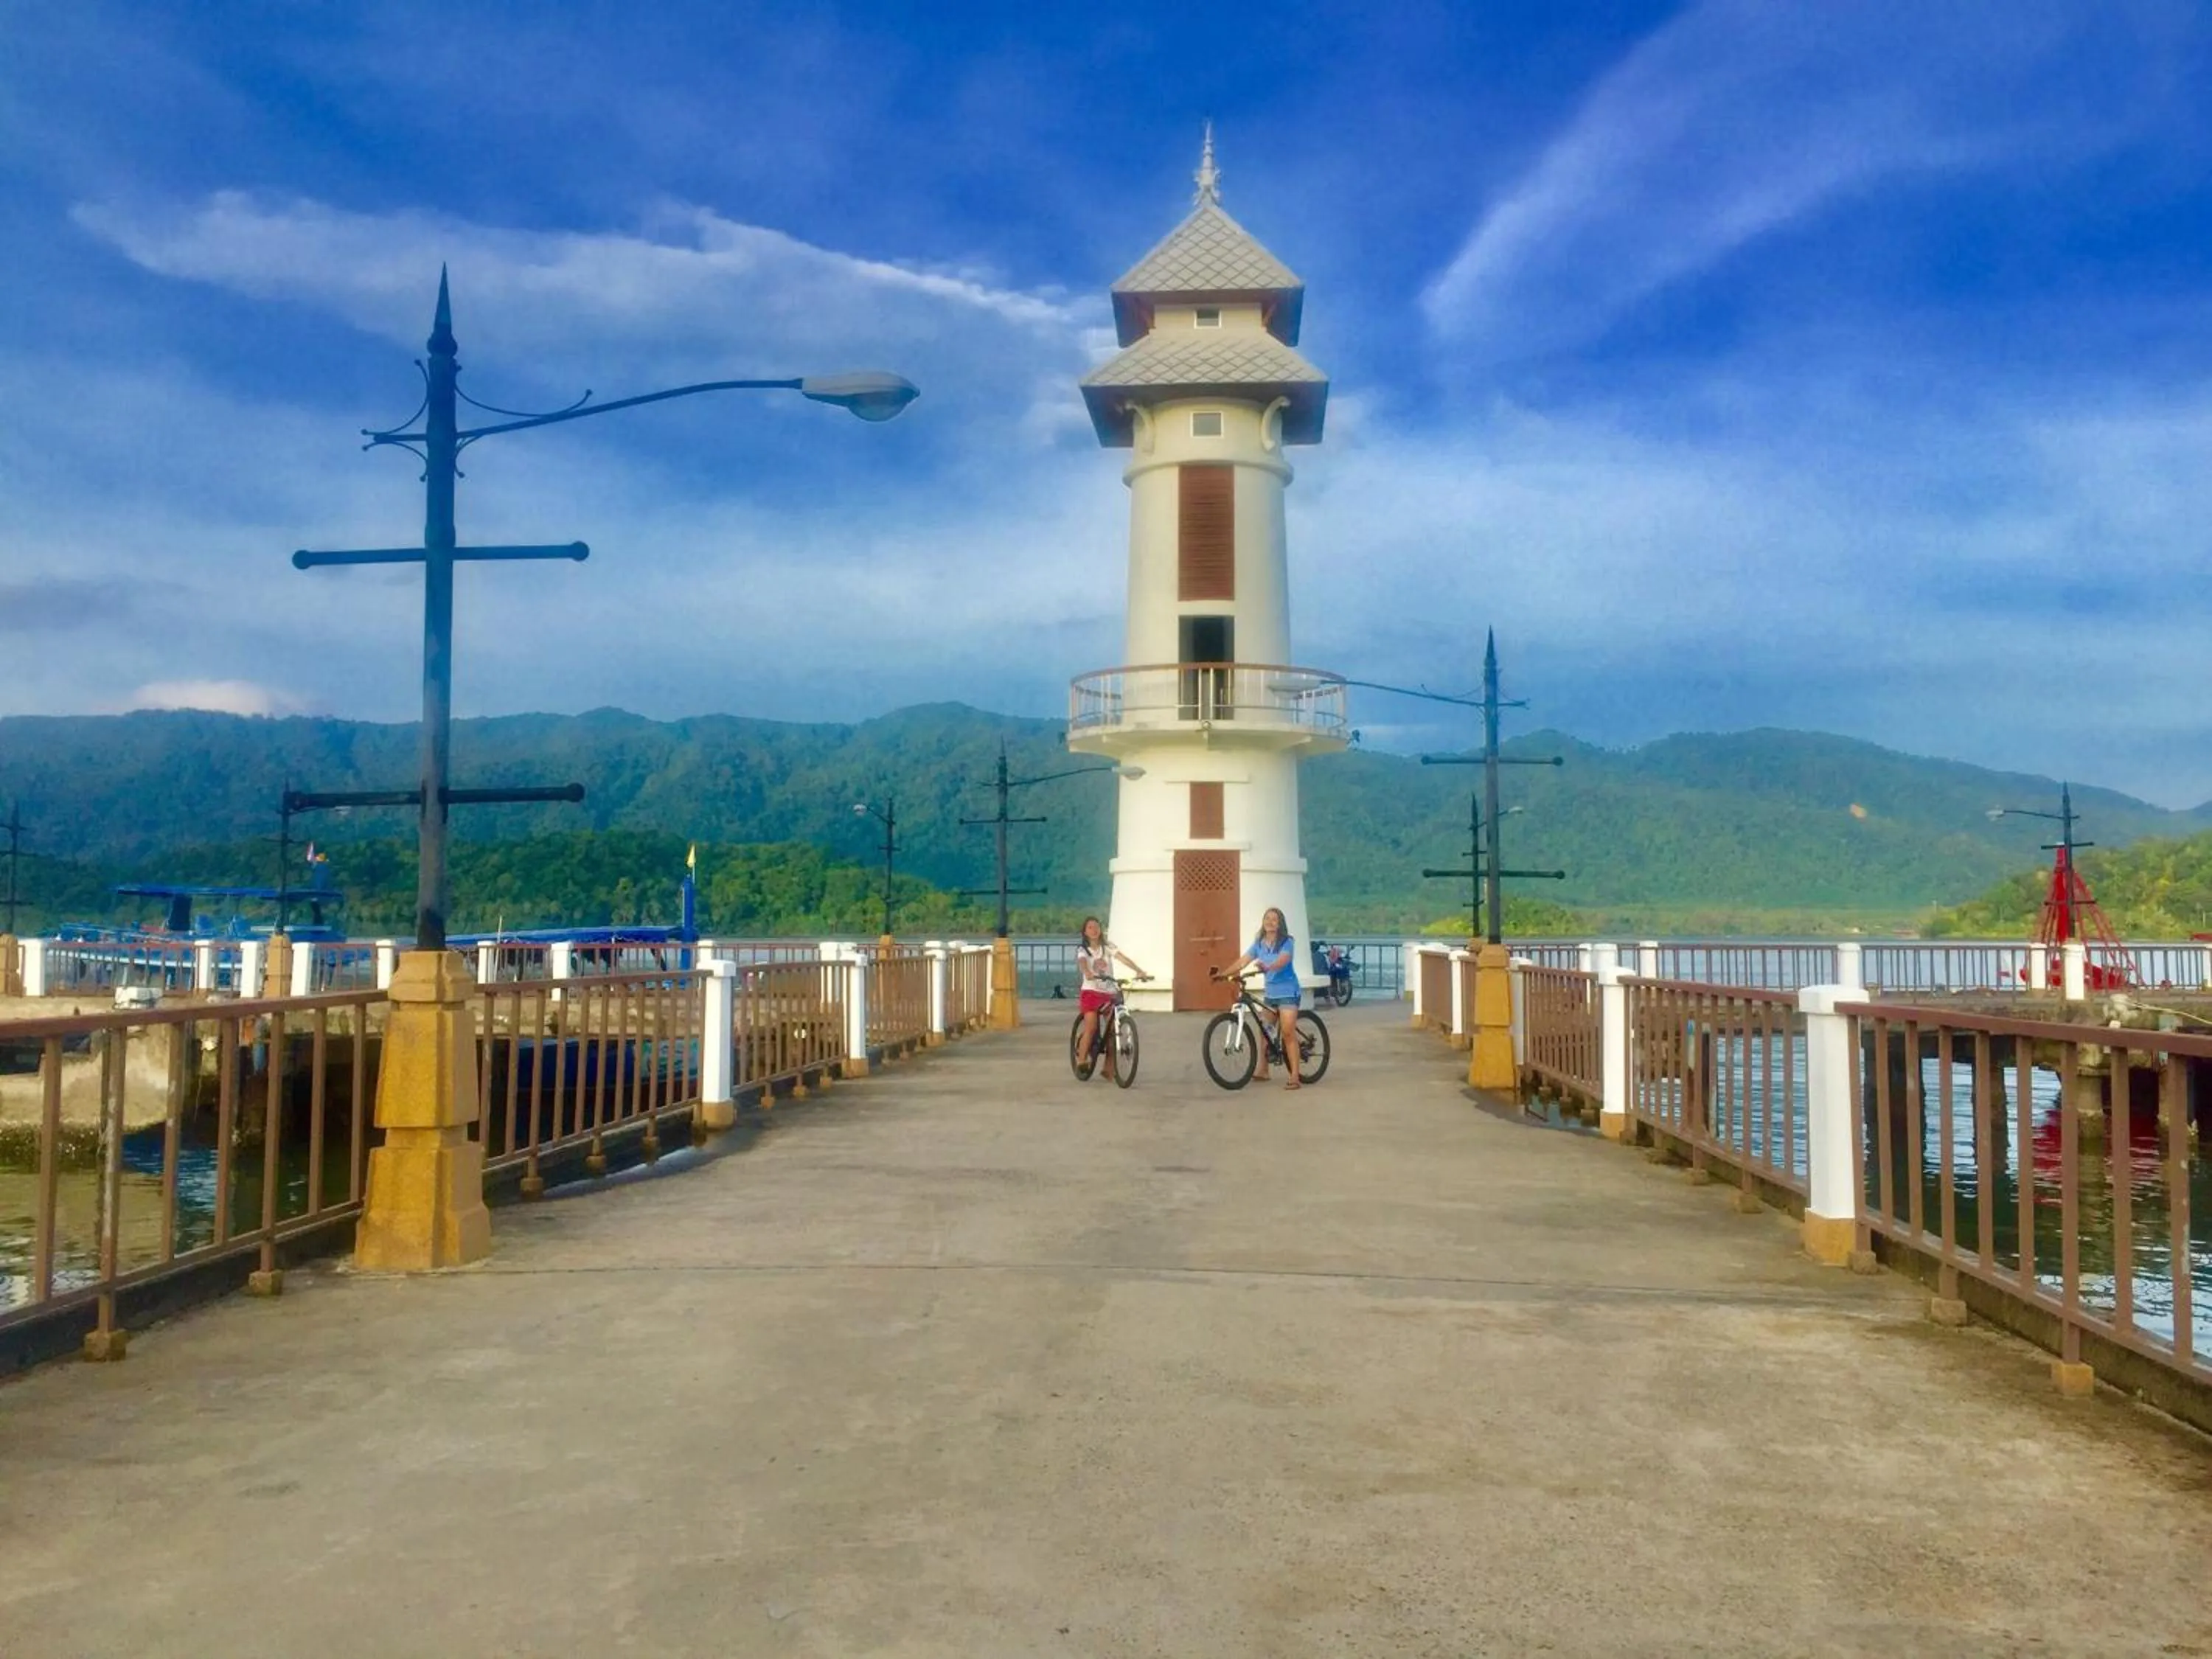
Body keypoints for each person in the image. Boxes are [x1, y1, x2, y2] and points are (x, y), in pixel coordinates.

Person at [1217, 906, 1303, 1088]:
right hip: (1271, 994)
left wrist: (1268, 967)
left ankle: (1295, 1075)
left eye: (1274, 919)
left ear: (1280, 924)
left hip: (1288, 992)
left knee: (1288, 1033)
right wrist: (1224, 974)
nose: (1270, 922)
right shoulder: (1259, 943)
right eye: (1267, 919)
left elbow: (1283, 961)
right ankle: (1263, 1070)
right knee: (1265, 1031)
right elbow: (1244, 961)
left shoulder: (1287, 942)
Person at [1075, 916, 1150, 1081]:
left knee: (1112, 1030)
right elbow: (1082, 962)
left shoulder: (1107, 946)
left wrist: (1139, 970)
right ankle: (1082, 1059)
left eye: (1097, 927)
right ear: (1085, 932)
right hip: (1091, 992)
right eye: (1090, 928)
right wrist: (1087, 972)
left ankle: (1108, 1067)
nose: (1094, 930)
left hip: (1109, 992)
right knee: (1092, 1026)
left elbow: (1122, 958)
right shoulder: (1083, 950)